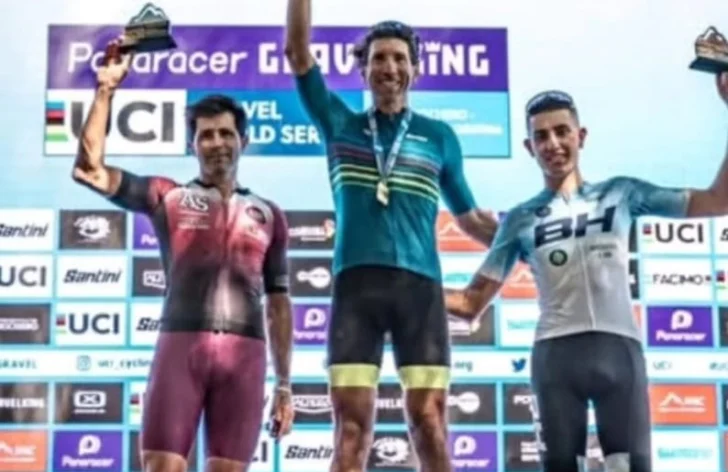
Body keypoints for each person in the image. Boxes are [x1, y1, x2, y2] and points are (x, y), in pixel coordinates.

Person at [444, 76, 728, 472]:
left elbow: (718, 200)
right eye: (541, 136)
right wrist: (406, 286)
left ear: (581, 136)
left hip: (620, 353)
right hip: (556, 359)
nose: (553, 144)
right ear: (529, 147)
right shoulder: (520, 219)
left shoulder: (622, 193)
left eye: (562, 131)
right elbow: (470, 303)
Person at [284, 4, 498, 472]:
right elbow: (298, 53)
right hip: (356, 291)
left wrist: (525, 241)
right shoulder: (340, 125)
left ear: (415, 70)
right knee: (351, 432)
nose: (390, 67)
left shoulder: (439, 137)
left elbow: (471, 219)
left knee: (430, 425)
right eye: (379, 58)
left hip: (420, 293)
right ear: (362, 70)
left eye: (400, 58)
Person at [71, 38, 295, 472]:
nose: (216, 143)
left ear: (244, 141)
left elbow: (280, 304)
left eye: (226, 133)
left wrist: (284, 385)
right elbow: (89, 170)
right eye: (205, 135)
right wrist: (106, 89)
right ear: (193, 145)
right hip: (180, 347)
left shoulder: (269, 214)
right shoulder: (166, 196)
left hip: (246, 357)